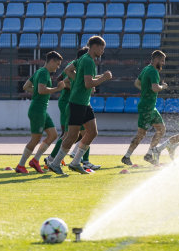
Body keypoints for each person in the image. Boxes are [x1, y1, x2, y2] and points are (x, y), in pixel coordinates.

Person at [49, 36, 112, 175]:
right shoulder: (88, 61)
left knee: (92, 132)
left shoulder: (82, 59)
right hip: (77, 102)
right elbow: (88, 84)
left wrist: (77, 79)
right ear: (94, 46)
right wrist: (104, 78)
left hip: (84, 102)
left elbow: (68, 70)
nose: (102, 51)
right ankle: (54, 163)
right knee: (72, 136)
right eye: (101, 48)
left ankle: (76, 162)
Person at [16, 51, 65, 173]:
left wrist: (38, 92)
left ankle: (35, 160)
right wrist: (57, 89)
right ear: (51, 61)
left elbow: (26, 87)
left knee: (53, 135)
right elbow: (42, 90)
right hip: (38, 110)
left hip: (41, 109)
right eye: (57, 64)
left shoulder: (39, 71)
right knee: (35, 139)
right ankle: (21, 165)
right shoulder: (44, 73)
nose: (58, 67)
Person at [122, 50, 168, 167]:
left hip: (150, 107)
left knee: (161, 130)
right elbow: (155, 88)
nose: (163, 63)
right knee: (141, 134)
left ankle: (149, 154)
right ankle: (126, 156)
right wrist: (163, 86)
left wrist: (145, 90)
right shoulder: (153, 71)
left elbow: (137, 83)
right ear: (156, 60)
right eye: (162, 61)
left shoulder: (146, 68)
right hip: (147, 107)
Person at [44, 47, 88, 171]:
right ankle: (55, 158)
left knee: (79, 133)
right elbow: (63, 81)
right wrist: (77, 85)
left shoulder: (78, 66)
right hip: (70, 103)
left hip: (74, 102)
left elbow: (60, 79)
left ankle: (61, 157)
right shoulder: (74, 66)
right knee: (74, 133)